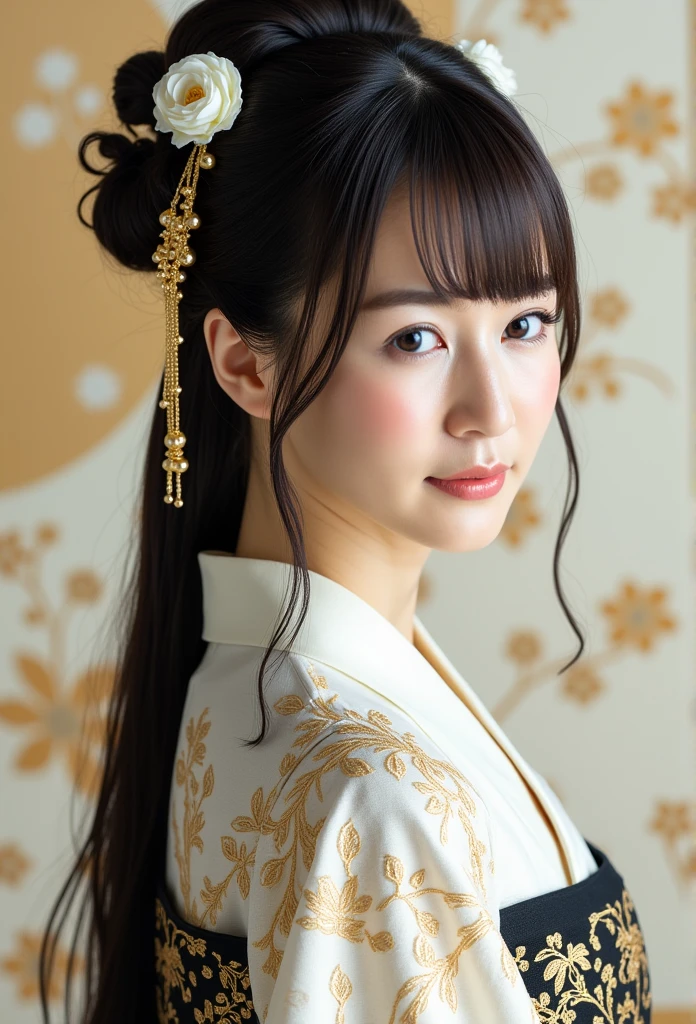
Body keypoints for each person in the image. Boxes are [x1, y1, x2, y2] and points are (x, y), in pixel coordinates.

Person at [39, 1, 652, 1022]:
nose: (492, 410)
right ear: (244, 362)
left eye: (526, 323)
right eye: (415, 338)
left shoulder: (262, 682)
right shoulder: (368, 784)